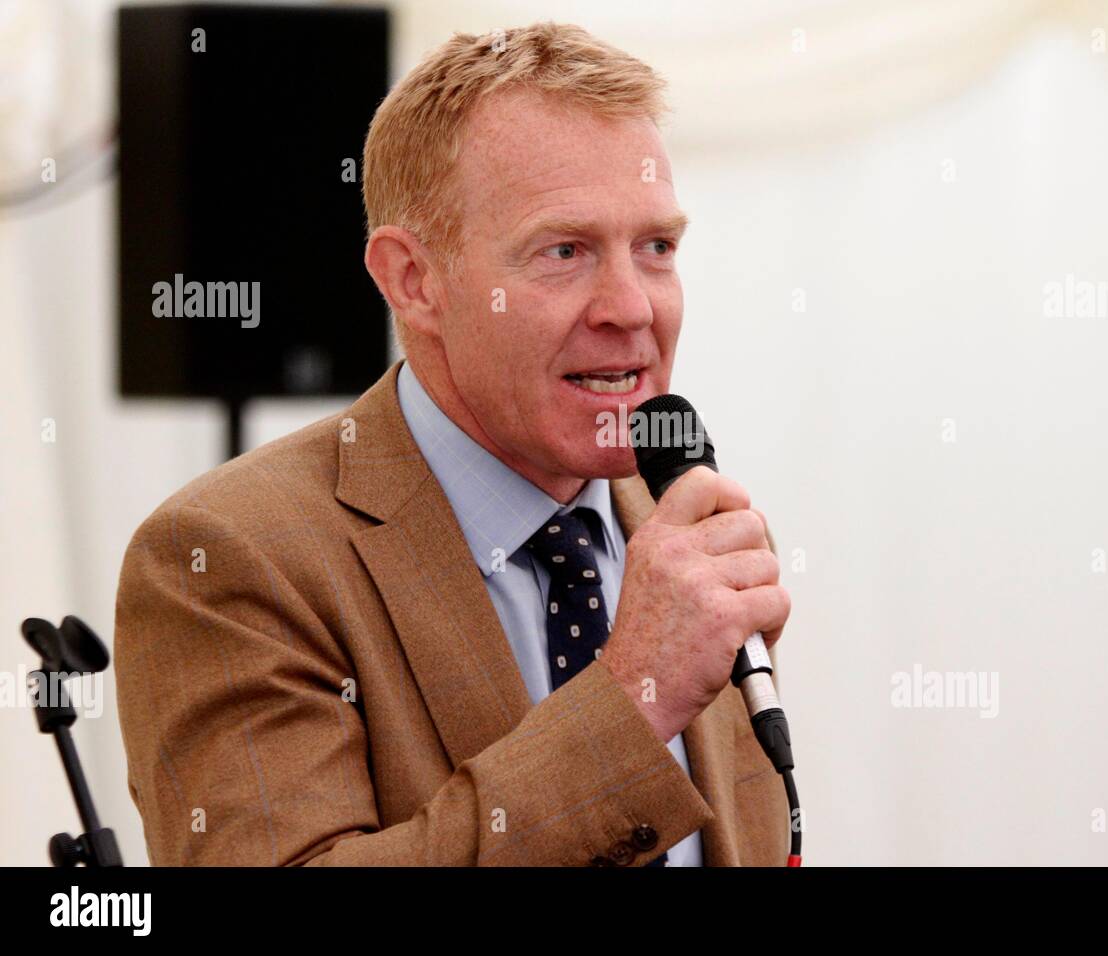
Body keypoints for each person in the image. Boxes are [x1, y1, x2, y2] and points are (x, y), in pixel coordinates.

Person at [114, 21, 792, 866]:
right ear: (414, 280)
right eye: (566, 251)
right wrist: (632, 700)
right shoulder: (227, 557)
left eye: (656, 247)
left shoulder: (686, 535)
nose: (632, 306)